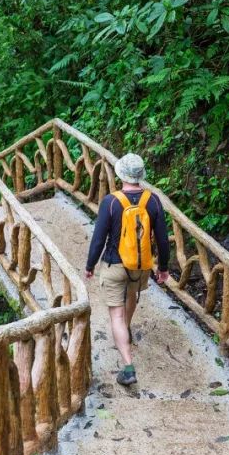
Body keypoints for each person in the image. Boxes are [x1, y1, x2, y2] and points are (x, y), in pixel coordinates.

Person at [84, 153, 170, 386]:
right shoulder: (153, 200)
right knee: (131, 295)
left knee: (116, 315)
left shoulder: (111, 202)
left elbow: (98, 239)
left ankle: (128, 367)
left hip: (114, 264)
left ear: (121, 174)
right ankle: (126, 329)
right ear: (140, 176)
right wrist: (163, 268)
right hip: (140, 266)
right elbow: (162, 239)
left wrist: (90, 265)